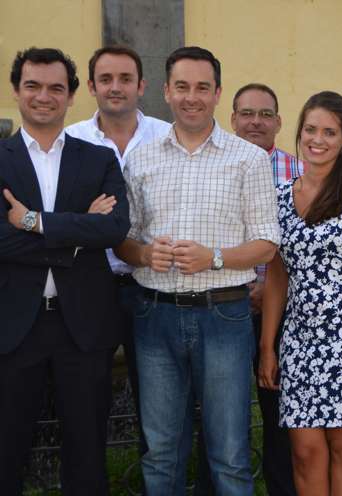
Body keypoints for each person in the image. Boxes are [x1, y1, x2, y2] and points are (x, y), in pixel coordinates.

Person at [116, 46, 280, 495]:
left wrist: (215, 258)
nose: (192, 97)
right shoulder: (141, 159)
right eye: (182, 86)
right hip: (155, 315)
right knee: (160, 452)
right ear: (166, 91)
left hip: (223, 315)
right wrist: (144, 255)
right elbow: (123, 240)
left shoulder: (249, 158)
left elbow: (267, 244)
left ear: (217, 93)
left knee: (229, 453)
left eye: (203, 87)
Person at [0, 47, 130, 495]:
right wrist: (77, 234)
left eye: (56, 88)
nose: (44, 96)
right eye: (33, 86)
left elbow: (113, 228)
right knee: (6, 450)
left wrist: (33, 222)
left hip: (84, 328)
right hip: (13, 326)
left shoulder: (98, 159)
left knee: (88, 455)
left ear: (72, 96)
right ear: (16, 90)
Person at [257, 91, 342, 496]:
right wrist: (267, 346)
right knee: (305, 451)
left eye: (329, 132)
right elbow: (276, 278)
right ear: (299, 132)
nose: (318, 140)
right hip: (299, 340)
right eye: (311, 130)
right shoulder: (281, 197)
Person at [64, 44, 172, 460]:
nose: (115, 87)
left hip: (153, 285)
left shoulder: (167, 137)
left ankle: (158, 483)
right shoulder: (70, 141)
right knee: (88, 400)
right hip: (91, 284)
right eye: (105, 79)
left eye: (125, 79)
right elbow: (61, 215)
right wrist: (84, 219)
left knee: (160, 404)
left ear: (141, 86)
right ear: (91, 87)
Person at [231, 82, 303, 496]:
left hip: (283, 312)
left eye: (265, 114)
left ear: (278, 122)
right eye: (247, 113)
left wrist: (270, 288)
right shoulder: (215, 166)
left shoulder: (300, 172)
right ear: (233, 119)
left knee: (280, 417)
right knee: (223, 418)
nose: (255, 122)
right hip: (223, 305)